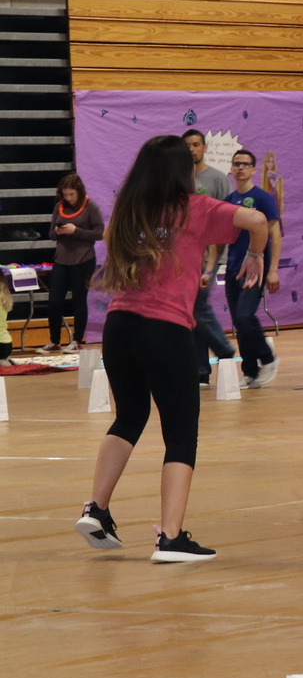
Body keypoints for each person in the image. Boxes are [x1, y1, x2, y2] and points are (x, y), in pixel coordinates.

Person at [75, 134, 268, 562]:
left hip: (119, 327)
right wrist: (256, 256)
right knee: (180, 435)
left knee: (129, 416)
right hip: (165, 331)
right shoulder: (195, 208)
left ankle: (97, 508)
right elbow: (256, 221)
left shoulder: (128, 209)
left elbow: (112, 240)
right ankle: (171, 538)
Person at [223, 150, 283, 388]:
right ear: (232, 169)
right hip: (233, 267)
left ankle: (268, 358)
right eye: (236, 164)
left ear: (253, 170)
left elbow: (275, 235)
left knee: (245, 316)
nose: (240, 168)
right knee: (238, 322)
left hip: (256, 268)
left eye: (245, 164)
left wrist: (273, 270)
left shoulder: (263, 198)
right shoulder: (228, 201)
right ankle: (250, 371)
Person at [182, 129, 235, 377]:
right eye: (187, 146)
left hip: (209, 256)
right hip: (185, 254)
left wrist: (214, 254)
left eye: (196, 144)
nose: (191, 149)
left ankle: (224, 349)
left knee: (198, 304)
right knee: (190, 310)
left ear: (205, 147)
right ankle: (200, 369)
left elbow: (226, 218)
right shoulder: (179, 180)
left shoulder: (216, 179)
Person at [45, 173, 104, 353]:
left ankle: (77, 340)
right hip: (62, 259)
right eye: (65, 194)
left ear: (79, 192)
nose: (68, 198)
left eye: (71, 194)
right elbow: (50, 234)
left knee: (79, 300)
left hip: (83, 258)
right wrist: (58, 231)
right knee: (54, 301)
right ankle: (55, 341)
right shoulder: (59, 207)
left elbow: (100, 232)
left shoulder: (90, 206)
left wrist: (75, 231)